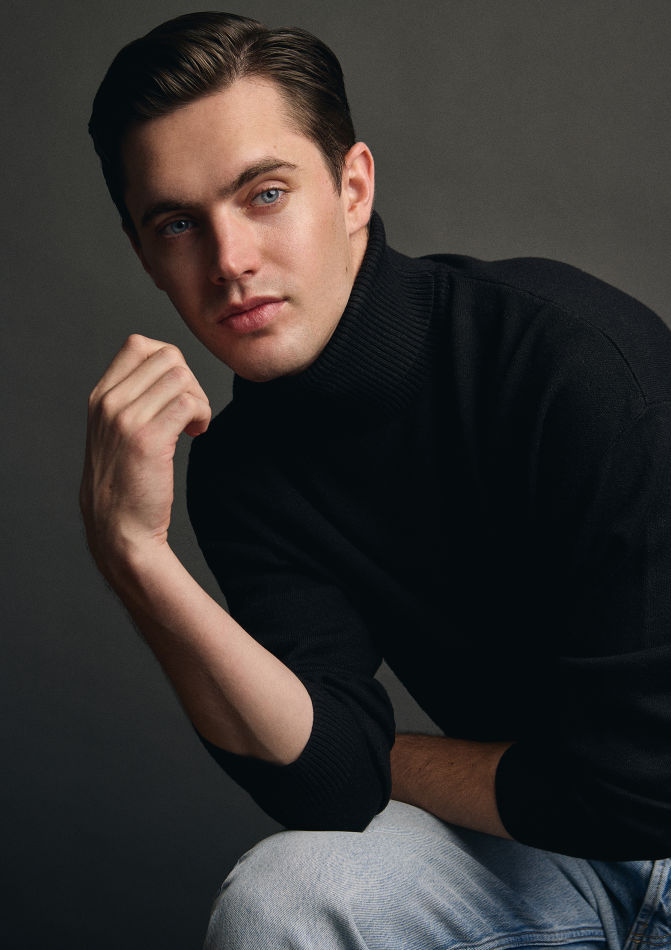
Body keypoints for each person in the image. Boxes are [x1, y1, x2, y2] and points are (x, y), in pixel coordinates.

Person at [81, 11, 671, 949]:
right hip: (557, 849)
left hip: (630, 813)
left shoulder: (572, 363)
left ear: (351, 187)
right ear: (145, 254)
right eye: (179, 223)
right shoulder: (244, 471)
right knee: (284, 896)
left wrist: (376, 754)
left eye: (265, 194)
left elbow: (646, 787)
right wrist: (135, 557)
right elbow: (323, 786)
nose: (229, 261)